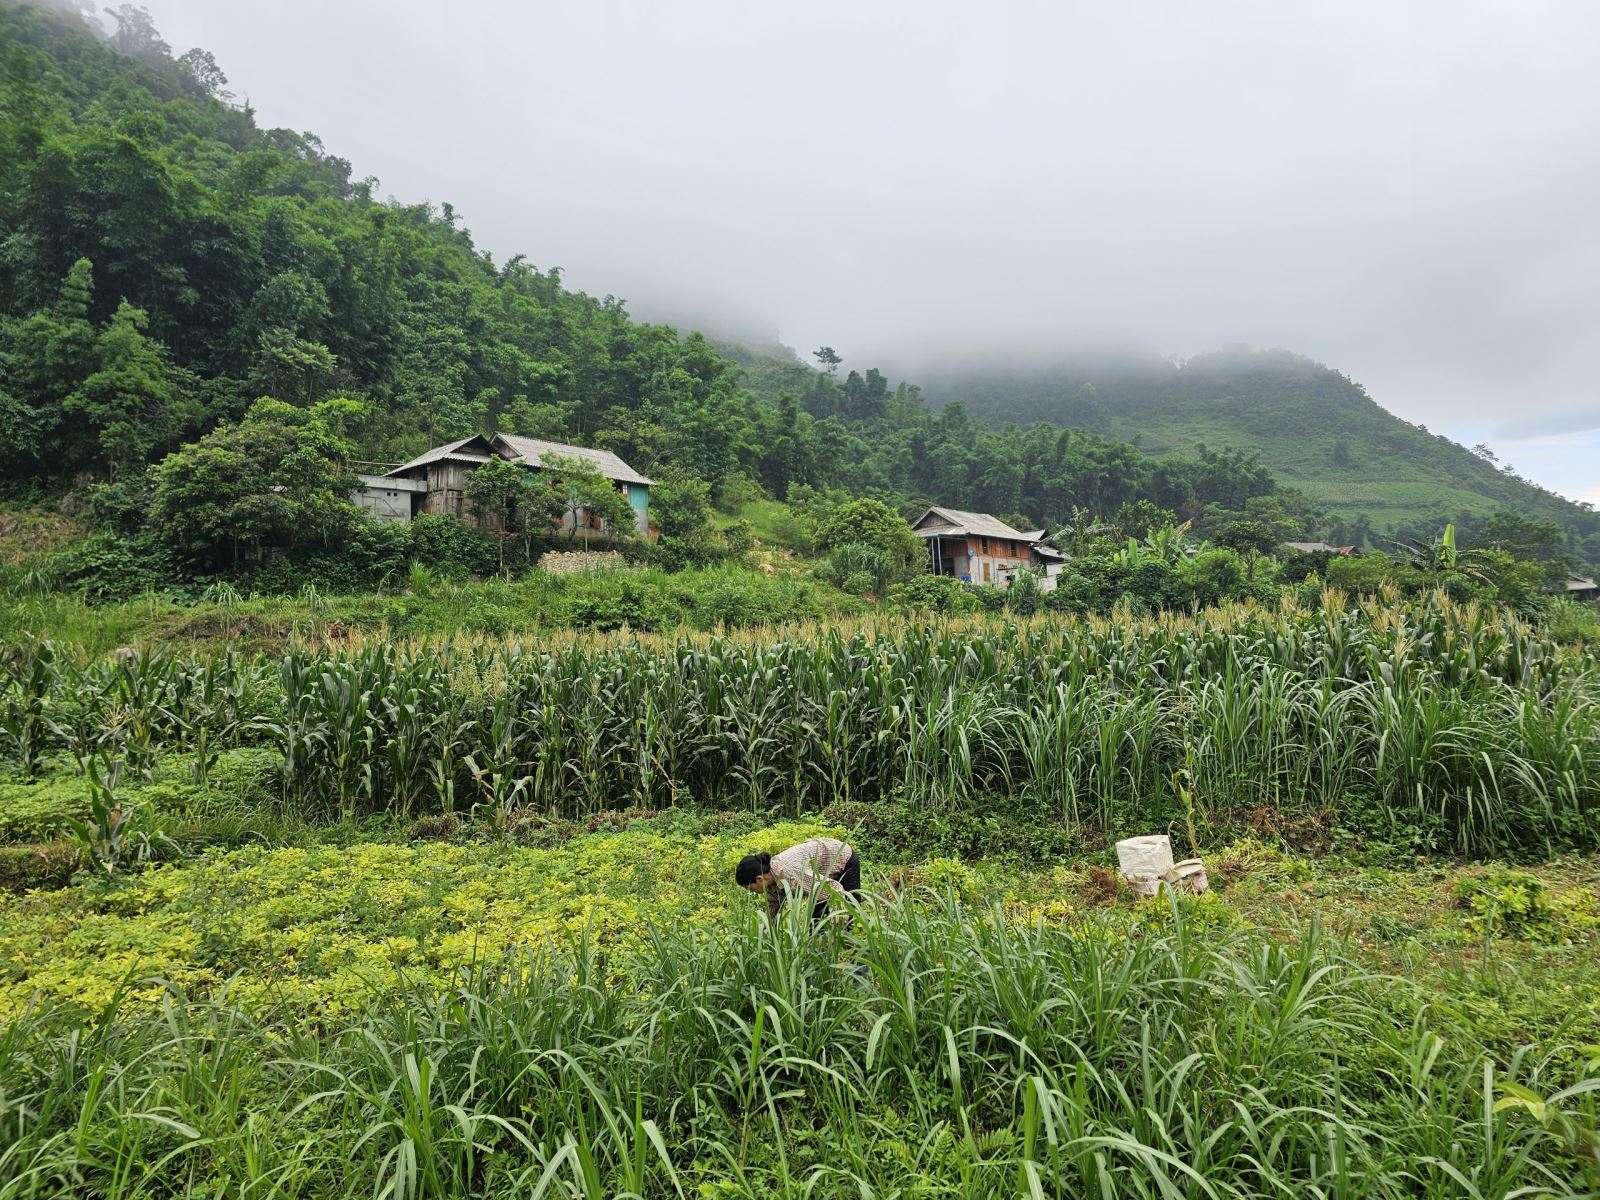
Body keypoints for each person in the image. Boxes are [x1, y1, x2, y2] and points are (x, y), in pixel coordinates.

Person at [735, 836, 860, 926]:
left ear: (759, 879)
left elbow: (833, 889)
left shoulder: (791, 874)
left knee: (850, 915)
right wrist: (767, 934)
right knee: (815, 924)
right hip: (818, 873)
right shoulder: (770, 881)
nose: (750, 892)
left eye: (749, 888)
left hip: (842, 857)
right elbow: (773, 907)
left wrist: (838, 923)